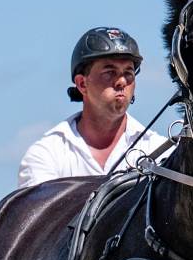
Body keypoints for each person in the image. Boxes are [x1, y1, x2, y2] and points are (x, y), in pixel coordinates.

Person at [17, 27, 169, 188]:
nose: (122, 81)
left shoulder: (161, 151)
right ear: (82, 84)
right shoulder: (46, 155)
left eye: (128, 73)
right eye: (109, 72)